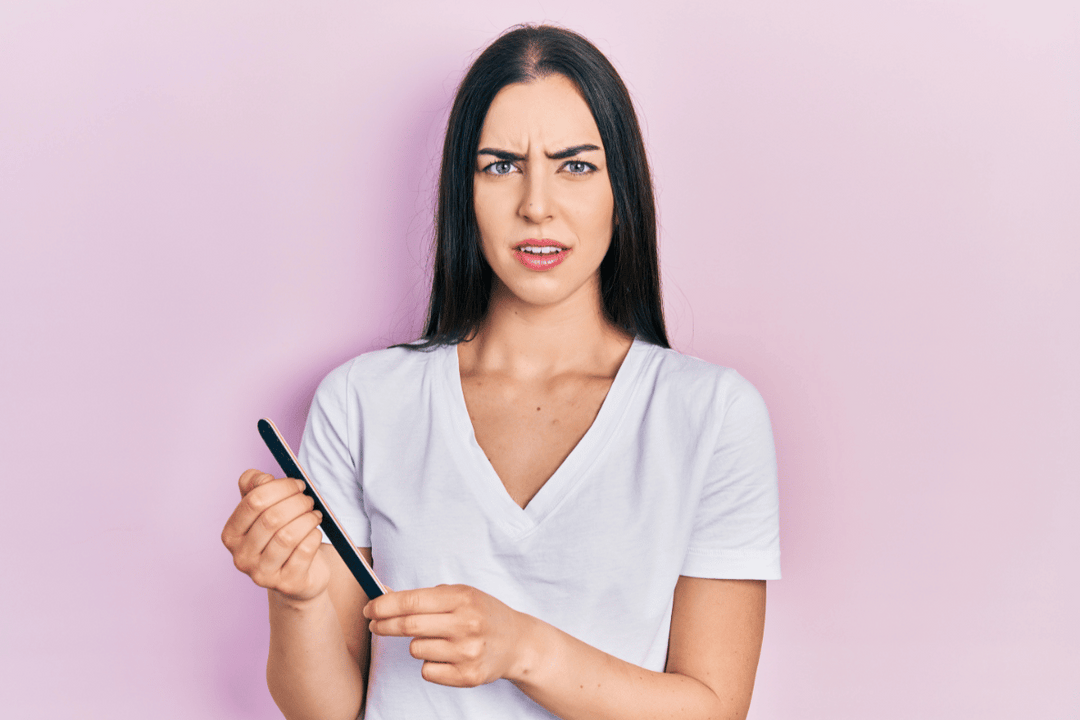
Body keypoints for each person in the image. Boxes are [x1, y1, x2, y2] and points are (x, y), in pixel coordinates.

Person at [221, 24, 780, 720]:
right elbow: (327, 711)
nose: (535, 205)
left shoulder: (712, 415)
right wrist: (295, 595)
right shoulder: (361, 402)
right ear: (466, 191)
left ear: (622, 190)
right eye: (500, 165)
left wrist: (522, 648)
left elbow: (715, 710)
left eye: (575, 166)